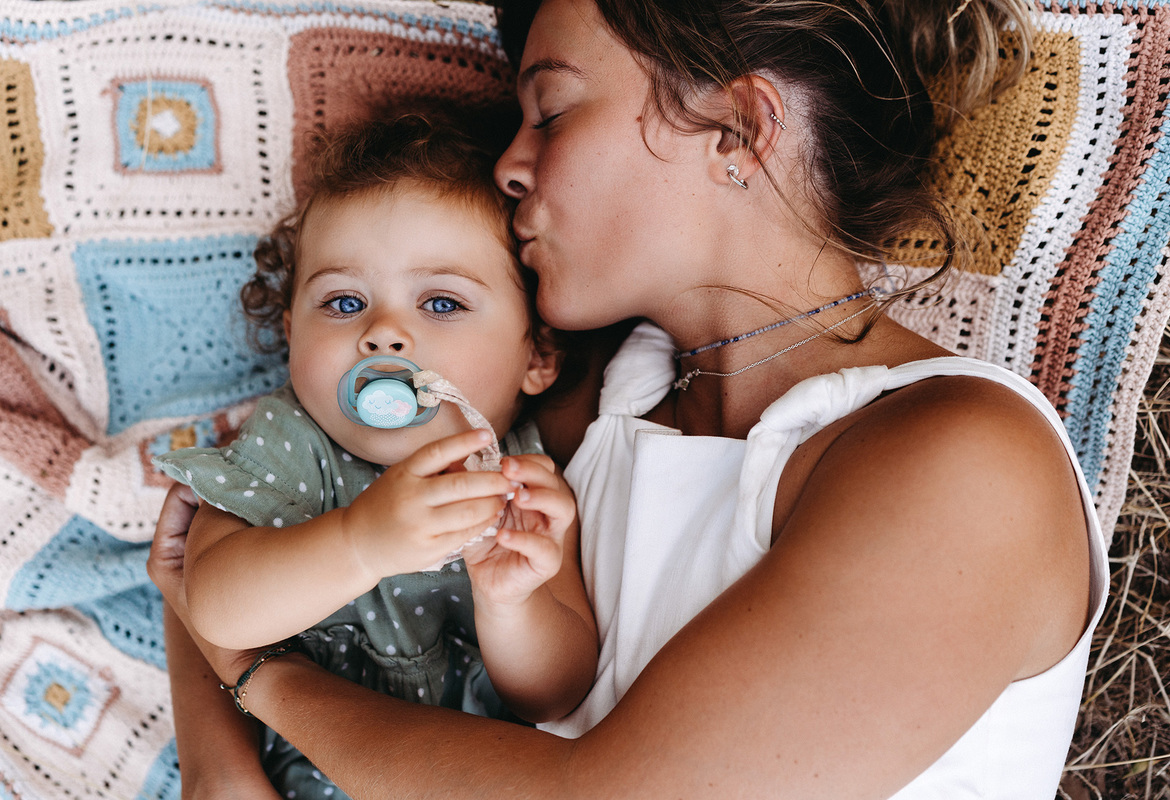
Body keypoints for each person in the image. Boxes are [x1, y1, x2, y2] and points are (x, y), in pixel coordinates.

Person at [150, 0, 1109, 796]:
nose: (508, 165)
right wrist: (218, 732)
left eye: (553, 112)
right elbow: (239, 530)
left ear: (741, 127)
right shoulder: (596, 403)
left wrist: (256, 677)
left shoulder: (963, 460)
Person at [153, 106, 598, 799]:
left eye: (442, 303)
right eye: (343, 301)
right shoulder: (293, 446)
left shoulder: (519, 481)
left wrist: (511, 604)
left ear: (537, 354)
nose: (385, 333)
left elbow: (554, 694)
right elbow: (213, 607)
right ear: (289, 332)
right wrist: (361, 542)